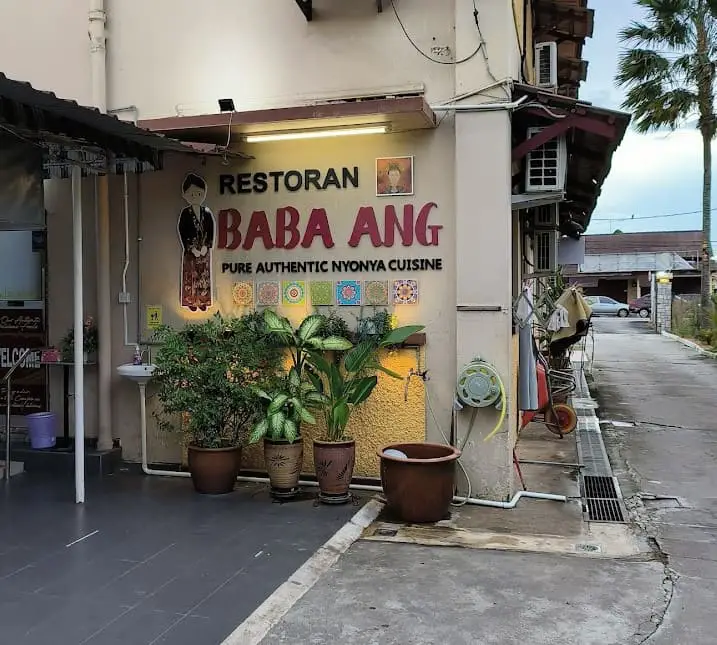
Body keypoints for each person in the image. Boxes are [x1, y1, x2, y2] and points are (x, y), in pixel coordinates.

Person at [177, 173, 215, 311]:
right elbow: (183, 231)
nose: (195, 197)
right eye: (191, 194)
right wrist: (191, 248)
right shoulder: (185, 213)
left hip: (204, 250)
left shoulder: (207, 212)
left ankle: (203, 301)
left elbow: (211, 231)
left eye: (199, 193)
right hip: (191, 251)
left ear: (204, 193)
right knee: (191, 276)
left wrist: (207, 246)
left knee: (204, 275)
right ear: (185, 195)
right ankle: (191, 302)